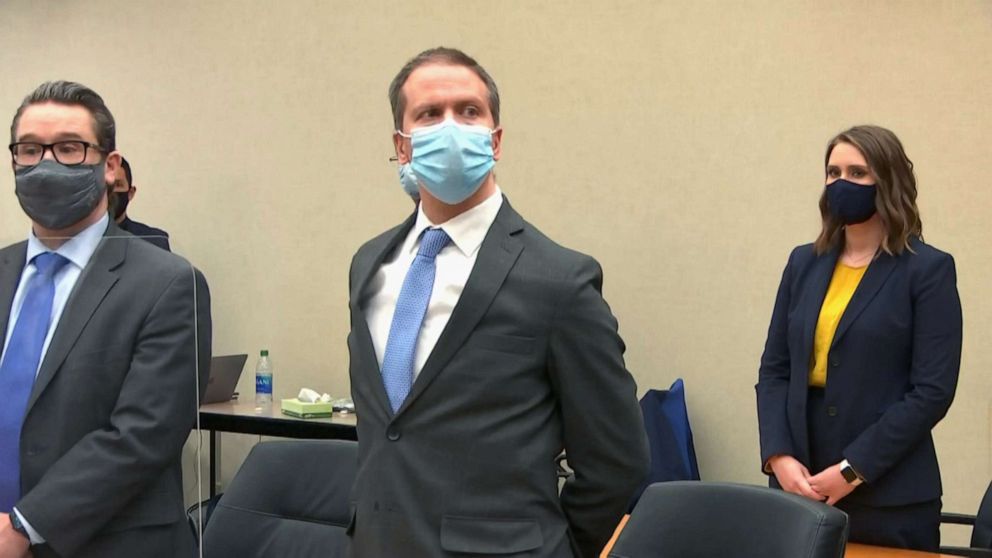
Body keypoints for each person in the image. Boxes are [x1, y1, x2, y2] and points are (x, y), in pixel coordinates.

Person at [346, 47, 649, 558]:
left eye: (468, 111)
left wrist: (558, 549)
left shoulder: (560, 280)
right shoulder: (369, 265)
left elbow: (617, 460)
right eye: (429, 114)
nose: (451, 127)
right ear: (403, 146)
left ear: (496, 138)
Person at [0, 81, 211, 558]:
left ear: (110, 167)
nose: (46, 164)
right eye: (30, 150)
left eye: (70, 148)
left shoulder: (168, 282)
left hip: (107, 544)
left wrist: (24, 527)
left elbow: (142, 436)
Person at [756, 125, 962, 551]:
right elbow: (775, 370)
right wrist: (778, 456)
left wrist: (853, 469)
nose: (840, 183)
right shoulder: (803, 262)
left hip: (888, 496)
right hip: (799, 487)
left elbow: (932, 391)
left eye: (857, 173)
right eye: (833, 173)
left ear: (886, 182)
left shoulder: (927, 270)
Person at [110, 157, 171, 251]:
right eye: (103, 184)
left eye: (118, 185)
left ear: (130, 193)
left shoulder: (153, 241)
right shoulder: (79, 238)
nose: (110, 192)